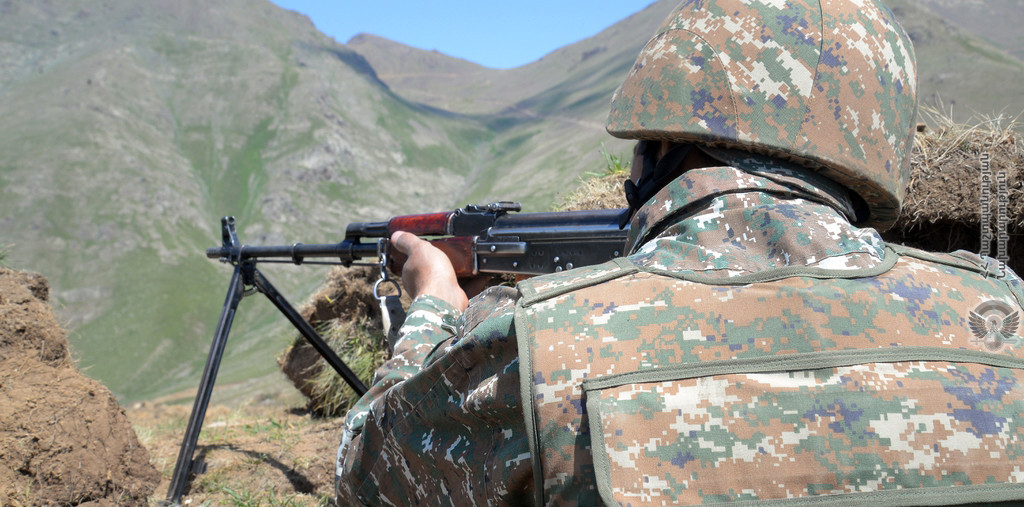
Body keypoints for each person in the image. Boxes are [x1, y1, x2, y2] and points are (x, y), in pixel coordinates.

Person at [335, 0, 1024, 505]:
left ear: (664, 145)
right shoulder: (1004, 318)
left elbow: (367, 472)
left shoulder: (542, 341)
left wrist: (432, 304)